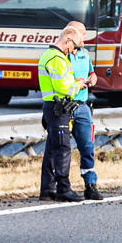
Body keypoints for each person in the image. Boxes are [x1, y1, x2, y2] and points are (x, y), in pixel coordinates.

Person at [37, 22, 88, 202]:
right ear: (67, 40)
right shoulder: (57, 59)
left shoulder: (51, 56)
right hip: (58, 108)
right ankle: (64, 189)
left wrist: (75, 81)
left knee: (52, 149)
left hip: (53, 107)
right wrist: (78, 85)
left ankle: (47, 189)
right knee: (62, 148)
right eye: (73, 46)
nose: (73, 51)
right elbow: (63, 87)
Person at [69, 37, 102, 200]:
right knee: (60, 149)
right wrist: (75, 82)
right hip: (65, 105)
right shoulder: (60, 55)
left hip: (82, 106)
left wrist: (92, 79)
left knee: (87, 147)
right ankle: (59, 186)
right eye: (81, 35)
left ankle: (90, 184)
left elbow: (92, 73)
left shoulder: (85, 54)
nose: (84, 38)